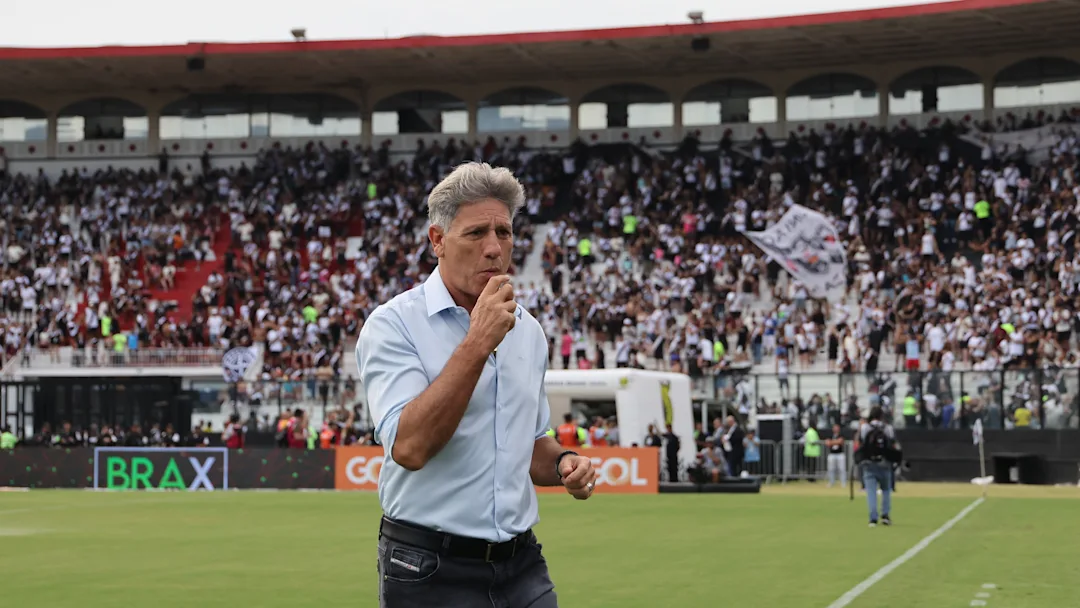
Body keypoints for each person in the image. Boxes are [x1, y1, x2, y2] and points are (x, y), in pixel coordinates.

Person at [356, 162, 596, 608]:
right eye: (475, 234)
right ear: (437, 241)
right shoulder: (393, 326)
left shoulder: (529, 331)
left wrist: (564, 461)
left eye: (503, 233)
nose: (493, 249)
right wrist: (478, 341)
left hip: (522, 563)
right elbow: (409, 448)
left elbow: (529, 445)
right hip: (428, 567)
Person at [857, 406, 900, 527]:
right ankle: (885, 515)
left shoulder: (865, 427)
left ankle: (873, 518)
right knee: (886, 490)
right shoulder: (888, 428)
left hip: (869, 463)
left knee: (871, 491)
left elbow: (861, 442)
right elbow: (892, 443)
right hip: (885, 463)